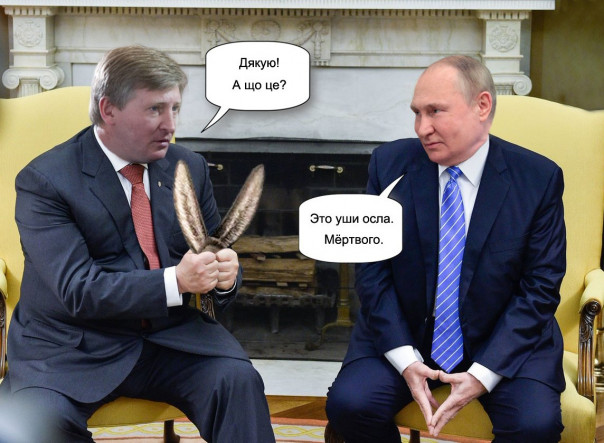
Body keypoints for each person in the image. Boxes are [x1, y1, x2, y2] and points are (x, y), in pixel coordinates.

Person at [0, 45, 275, 443]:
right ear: (108, 110)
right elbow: (78, 290)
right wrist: (177, 281)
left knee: (237, 381)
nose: (170, 124)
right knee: (36, 424)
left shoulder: (189, 168)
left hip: (169, 337)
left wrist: (225, 276)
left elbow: (213, 252)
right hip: (72, 346)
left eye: (175, 108)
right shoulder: (45, 181)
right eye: (154, 110)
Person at [326, 55, 566, 442]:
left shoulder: (537, 179)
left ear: (482, 105)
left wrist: (483, 373)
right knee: (350, 405)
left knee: (535, 426)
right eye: (417, 113)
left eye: (435, 111)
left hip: (506, 339)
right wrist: (405, 359)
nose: (422, 128)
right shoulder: (389, 164)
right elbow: (372, 273)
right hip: (407, 331)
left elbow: (540, 287)